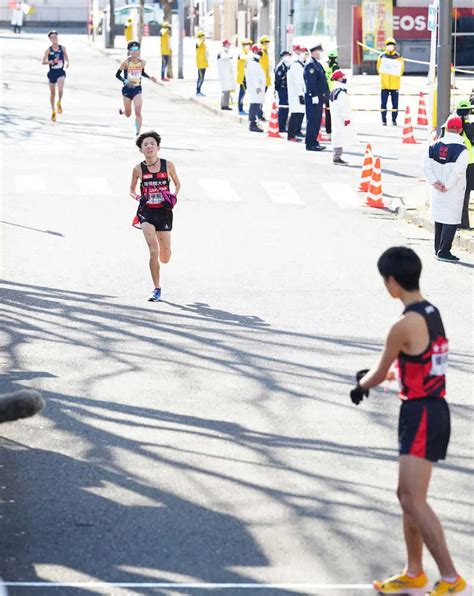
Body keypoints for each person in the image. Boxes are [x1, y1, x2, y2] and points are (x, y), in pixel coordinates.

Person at [351, 246, 469, 596]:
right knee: (408, 495)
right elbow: (422, 362)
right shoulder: (432, 313)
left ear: (391, 281)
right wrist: (390, 379)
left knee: (412, 498)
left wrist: (362, 385)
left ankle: (451, 578)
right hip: (432, 409)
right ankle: (414, 571)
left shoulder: (402, 324)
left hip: (420, 414)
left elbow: (379, 369)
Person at [130, 131, 181, 302]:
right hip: (147, 212)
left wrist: (173, 196)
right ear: (141, 150)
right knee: (153, 250)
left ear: (158, 147)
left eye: (152, 143)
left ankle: (163, 256)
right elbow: (131, 190)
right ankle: (156, 288)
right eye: (145, 145)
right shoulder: (138, 169)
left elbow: (177, 184)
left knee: (164, 256)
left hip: (164, 212)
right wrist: (139, 197)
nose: (149, 146)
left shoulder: (168, 165)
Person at [422, 115, 468, 263]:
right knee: (451, 220)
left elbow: (426, 166)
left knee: (439, 219)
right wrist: (447, 186)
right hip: (452, 190)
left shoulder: (433, 145)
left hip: (436, 188)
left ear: (446, 128)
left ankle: (438, 249)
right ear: (460, 130)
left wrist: (435, 182)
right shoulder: (462, 149)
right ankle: (444, 250)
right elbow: (458, 171)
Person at [116, 41, 157, 135]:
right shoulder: (125, 62)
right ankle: (123, 111)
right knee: (128, 114)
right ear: (129, 51)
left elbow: (141, 72)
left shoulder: (142, 62)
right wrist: (125, 81)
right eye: (133, 50)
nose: (135, 51)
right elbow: (117, 75)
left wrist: (150, 77)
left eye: (137, 49)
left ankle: (137, 132)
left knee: (138, 112)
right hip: (127, 90)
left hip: (137, 89)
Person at [304, 43, 329, 152]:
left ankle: (314, 141)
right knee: (313, 120)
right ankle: (310, 143)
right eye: (319, 52)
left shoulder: (316, 64)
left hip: (319, 96)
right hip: (314, 97)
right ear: (314, 52)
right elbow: (310, 82)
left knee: (317, 120)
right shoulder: (310, 64)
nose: (320, 54)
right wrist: (313, 95)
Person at [42, 31, 69, 122]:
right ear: (50, 39)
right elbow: (43, 62)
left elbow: (66, 57)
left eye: (55, 37)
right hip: (52, 73)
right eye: (52, 37)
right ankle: (53, 110)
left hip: (60, 72)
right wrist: (52, 61)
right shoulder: (49, 50)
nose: (54, 39)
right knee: (52, 94)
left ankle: (59, 102)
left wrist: (68, 63)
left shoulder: (62, 48)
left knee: (60, 88)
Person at [377, 38, 404, 126]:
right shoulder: (382, 56)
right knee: (383, 104)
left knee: (395, 104)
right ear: (386, 46)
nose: (390, 46)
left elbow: (401, 69)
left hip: (395, 84)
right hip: (384, 85)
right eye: (388, 44)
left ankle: (394, 119)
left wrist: (396, 75)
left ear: (394, 46)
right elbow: (379, 68)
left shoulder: (398, 57)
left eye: (392, 44)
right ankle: (383, 120)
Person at [329, 70, 353, 165]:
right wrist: (346, 118)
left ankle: (336, 156)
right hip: (340, 118)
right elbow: (343, 107)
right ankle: (337, 158)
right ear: (339, 78)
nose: (344, 78)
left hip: (336, 118)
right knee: (339, 137)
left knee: (337, 136)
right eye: (342, 77)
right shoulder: (341, 93)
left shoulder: (334, 91)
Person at [456, 99, 474, 229]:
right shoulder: (471, 126)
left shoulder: (454, 128)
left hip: (462, 165)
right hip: (472, 164)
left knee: (463, 195)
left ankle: (464, 222)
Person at [287, 45, 307, 143]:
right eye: (301, 51)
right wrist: (300, 94)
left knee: (299, 113)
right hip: (296, 94)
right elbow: (297, 81)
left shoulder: (299, 63)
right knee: (295, 114)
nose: (303, 53)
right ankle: (291, 135)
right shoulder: (295, 64)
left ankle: (296, 132)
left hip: (299, 92)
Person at [245, 44, 265, 133]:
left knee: (257, 104)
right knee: (254, 104)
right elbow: (253, 76)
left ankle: (254, 123)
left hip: (258, 87)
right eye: (258, 51)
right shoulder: (252, 62)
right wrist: (257, 87)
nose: (260, 52)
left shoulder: (256, 62)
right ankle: (252, 123)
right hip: (255, 88)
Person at [274, 50, 291, 133]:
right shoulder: (281, 66)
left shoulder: (288, 65)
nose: (288, 56)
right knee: (283, 108)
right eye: (286, 55)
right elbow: (277, 80)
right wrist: (277, 89)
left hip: (287, 89)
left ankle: (284, 125)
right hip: (282, 89)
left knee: (286, 108)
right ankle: (281, 126)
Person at [324, 49, 339, 135]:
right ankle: (333, 130)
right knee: (334, 112)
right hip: (333, 91)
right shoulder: (335, 66)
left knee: (327, 112)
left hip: (326, 91)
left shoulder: (325, 65)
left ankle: (328, 130)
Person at [217, 39, 234, 111]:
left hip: (227, 75)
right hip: (224, 75)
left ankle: (225, 104)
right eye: (228, 44)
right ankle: (224, 105)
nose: (229, 46)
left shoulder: (225, 52)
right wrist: (230, 56)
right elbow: (225, 57)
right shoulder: (222, 53)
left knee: (227, 91)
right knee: (225, 90)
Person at [236, 39, 252, 115]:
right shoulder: (242, 53)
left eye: (249, 45)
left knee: (244, 93)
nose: (248, 46)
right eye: (246, 45)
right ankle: (240, 109)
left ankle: (241, 108)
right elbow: (245, 58)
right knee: (242, 93)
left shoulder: (247, 53)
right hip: (242, 77)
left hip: (246, 77)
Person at [258, 35, 271, 121]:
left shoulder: (266, 52)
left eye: (268, 42)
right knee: (259, 98)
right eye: (265, 42)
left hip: (265, 79)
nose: (267, 44)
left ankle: (260, 113)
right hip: (261, 79)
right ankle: (259, 114)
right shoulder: (261, 52)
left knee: (262, 98)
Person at [195, 31, 208, 96]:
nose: (204, 37)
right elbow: (198, 44)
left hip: (204, 64)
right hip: (200, 64)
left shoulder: (203, 44)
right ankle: (197, 91)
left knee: (202, 78)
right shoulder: (199, 43)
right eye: (203, 36)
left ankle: (199, 91)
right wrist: (201, 39)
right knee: (200, 78)